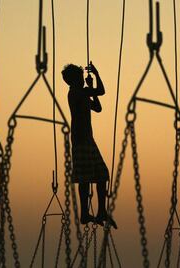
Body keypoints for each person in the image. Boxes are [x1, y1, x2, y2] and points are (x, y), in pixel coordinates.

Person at [62, 62, 117, 228]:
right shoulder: (76, 93)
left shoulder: (82, 93)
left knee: (101, 174)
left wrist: (91, 90)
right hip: (81, 139)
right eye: (78, 77)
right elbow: (102, 90)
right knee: (85, 178)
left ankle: (101, 211)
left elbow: (98, 107)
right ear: (72, 80)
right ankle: (85, 213)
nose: (81, 79)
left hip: (87, 139)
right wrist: (97, 76)